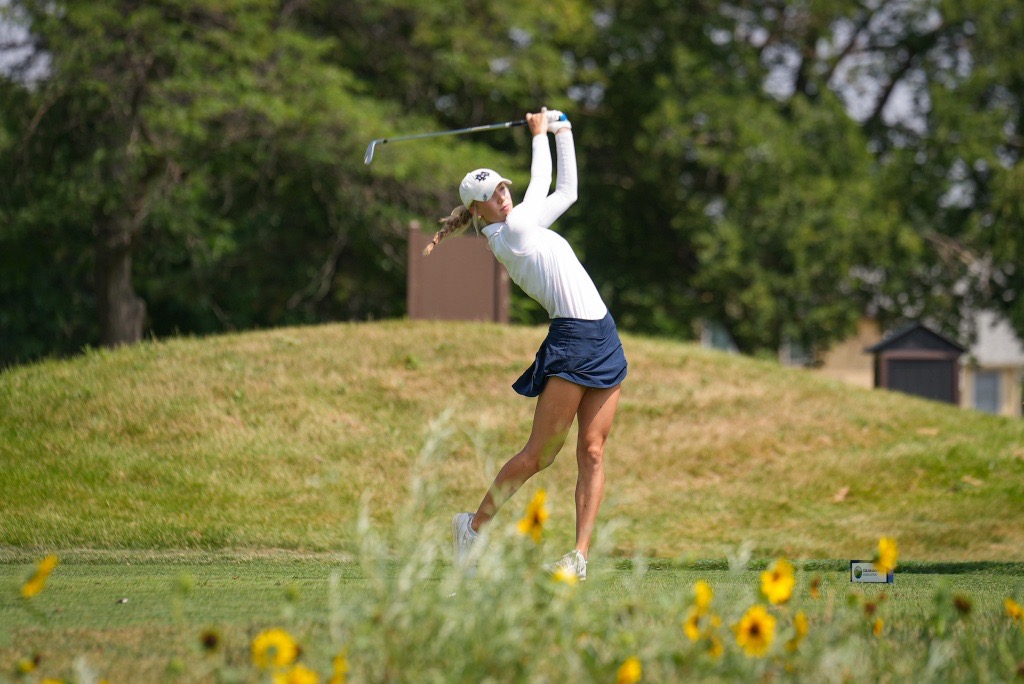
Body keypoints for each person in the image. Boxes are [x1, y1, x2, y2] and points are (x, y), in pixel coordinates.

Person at [425, 106, 627, 581]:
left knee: (593, 452)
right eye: (489, 197)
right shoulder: (509, 234)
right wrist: (539, 135)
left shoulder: (525, 224)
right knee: (541, 454)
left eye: (500, 188)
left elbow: (567, 191)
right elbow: (540, 186)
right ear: (476, 212)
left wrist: (564, 131)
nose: (501, 198)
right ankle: (472, 528)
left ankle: (578, 557)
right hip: (572, 340)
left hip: (604, 335)